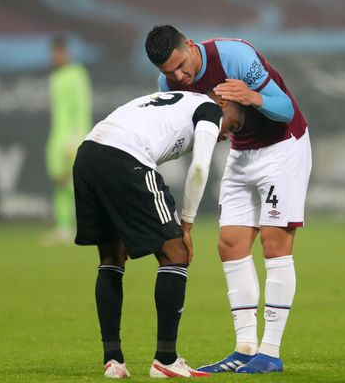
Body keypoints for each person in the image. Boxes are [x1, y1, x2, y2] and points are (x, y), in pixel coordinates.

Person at [145, 25, 311, 374]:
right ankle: (245, 348)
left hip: (282, 146)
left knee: (273, 242)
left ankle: (270, 351)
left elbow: (285, 110)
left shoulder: (235, 57)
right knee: (230, 244)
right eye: (168, 73)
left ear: (190, 46)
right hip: (241, 152)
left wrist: (254, 98)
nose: (178, 76)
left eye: (181, 66)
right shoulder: (168, 86)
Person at [72, 89, 244, 378]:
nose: (227, 135)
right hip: (124, 156)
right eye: (233, 125)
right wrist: (186, 225)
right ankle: (166, 358)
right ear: (223, 104)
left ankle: (113, 361)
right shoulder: (208, 110)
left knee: (112, 257)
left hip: (88, 154)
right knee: (176, 251)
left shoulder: (178, 99)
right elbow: (200, 167)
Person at [45, 33, 92, 242]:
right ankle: (63, 226)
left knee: (74, 183)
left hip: (73, 136)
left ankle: (85, 226)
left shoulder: (77, 75)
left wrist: (77, 137)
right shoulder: (55, 77)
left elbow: (81, 108)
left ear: (66, 52)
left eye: (60, 52)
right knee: (59, 180)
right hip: (57, 136)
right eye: (54, 53)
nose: (56, 56)